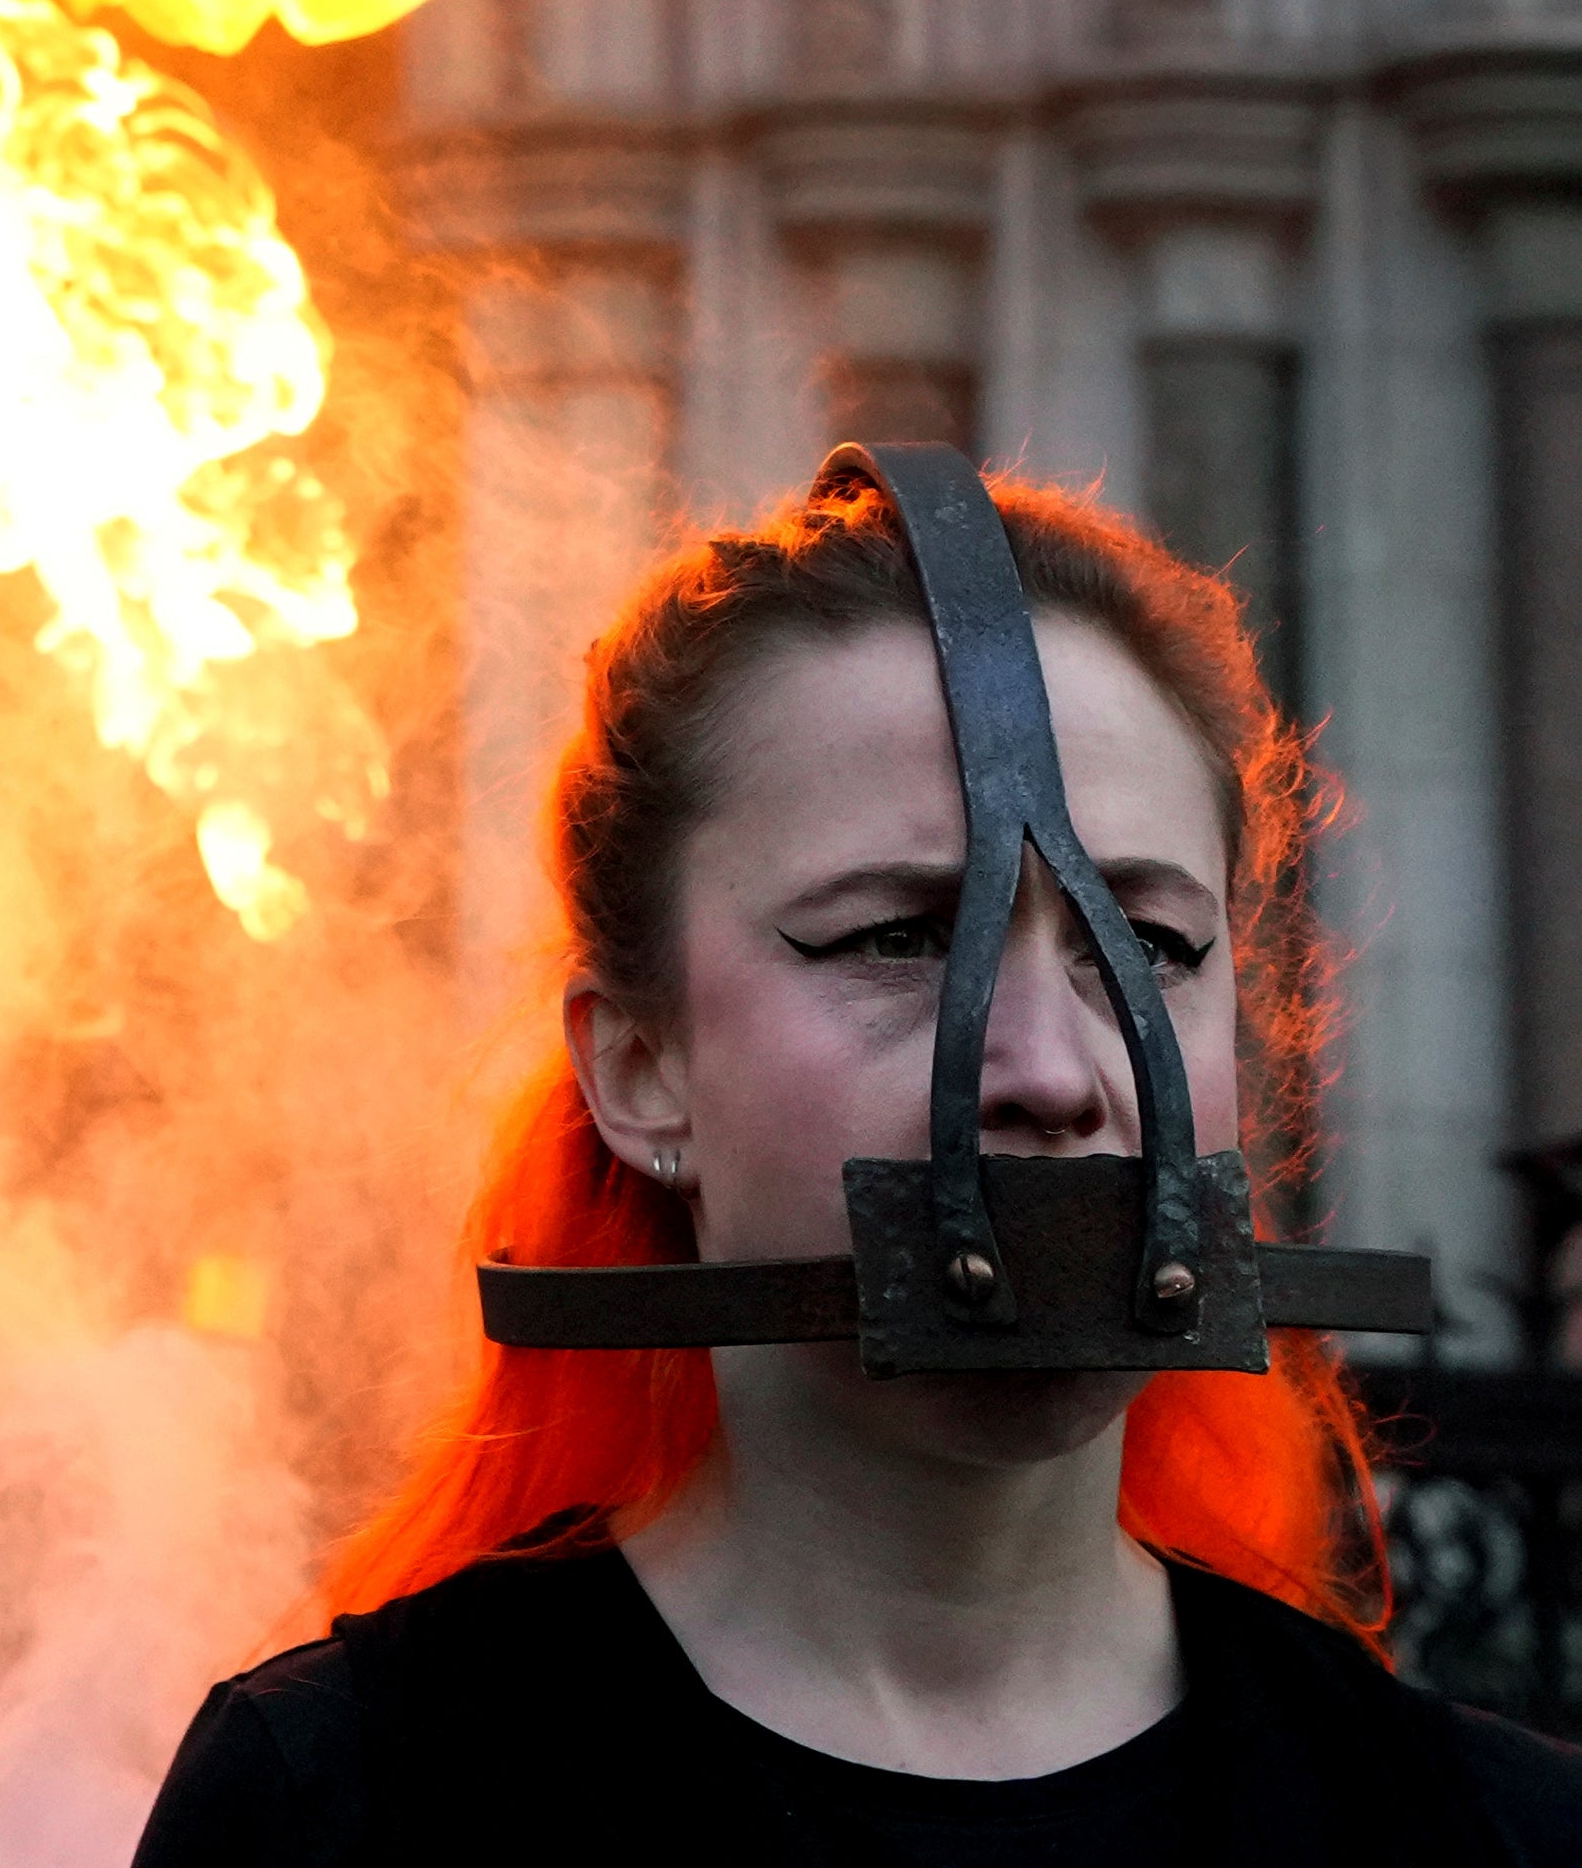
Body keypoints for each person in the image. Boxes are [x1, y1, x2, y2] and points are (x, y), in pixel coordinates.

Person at [136, 456, 1582, 1863]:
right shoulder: (344, 1807)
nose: (1046, 1074)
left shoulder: (1484, 1834)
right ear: (640, 1067)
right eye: (895, 937)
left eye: (1146, 948)